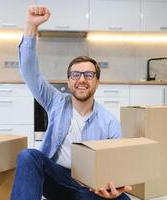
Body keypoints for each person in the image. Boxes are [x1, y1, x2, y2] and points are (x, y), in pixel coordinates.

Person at [11, 5, 132, 200]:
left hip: (90, 187)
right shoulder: (55, 102)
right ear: (68, 81)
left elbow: (116, 169)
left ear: (97, 82)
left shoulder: (110, 123)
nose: (82, 79)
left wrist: (113, 189)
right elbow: (28, 71)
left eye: (89, 74)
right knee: (28, 156)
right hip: (56, 179)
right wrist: (31, 26)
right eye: (76, 74)